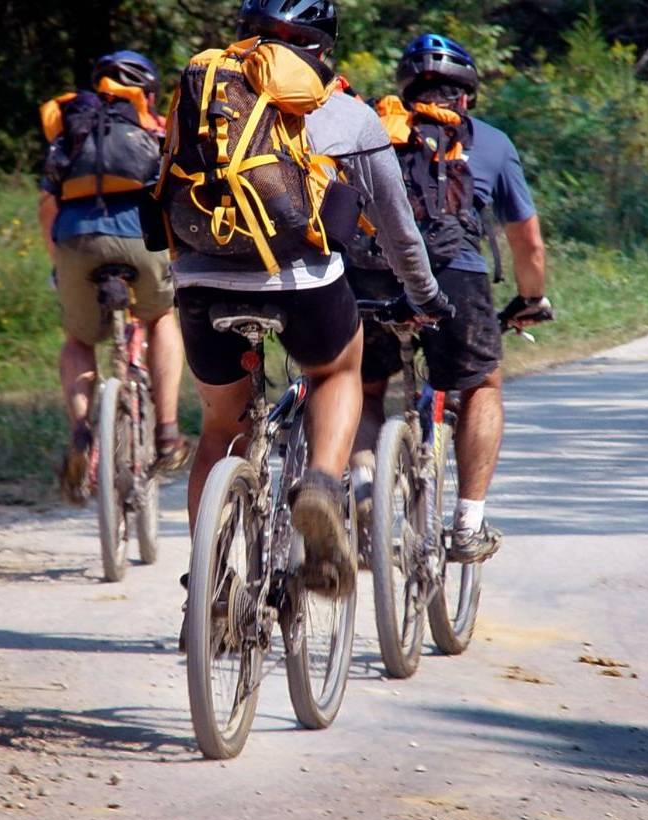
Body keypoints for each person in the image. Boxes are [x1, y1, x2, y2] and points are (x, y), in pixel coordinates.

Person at [165, 0, 445, 598]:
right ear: (326, 46)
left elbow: (167, 187)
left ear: (244, 34)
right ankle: (320, 482)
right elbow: (396, 227)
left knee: (220, 432)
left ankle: (208, 588)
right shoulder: (347, 111)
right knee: (338, 369)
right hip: (304, 284)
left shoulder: (203, 89)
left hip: (200, 280)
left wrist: (190, 271)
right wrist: (425, 294)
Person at [349, 34, 549, 565]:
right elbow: (526, 239)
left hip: (371, 276)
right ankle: (467, 524)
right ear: (468, 92)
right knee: (482, 383)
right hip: (454, 277)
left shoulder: (371, 127)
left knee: (364, 390)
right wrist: (532, 298)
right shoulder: (492, 143)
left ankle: (366, 486)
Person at [37, 50, 189, 504]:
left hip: (76, 241)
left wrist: (59, 262)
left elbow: (48, 206)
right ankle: (167, 432)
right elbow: (178, 201)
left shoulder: (73, 128)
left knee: (79, 340)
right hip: (141, 243)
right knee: (162, 317)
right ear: (149, 92)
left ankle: (83, 432)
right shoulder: (156, 128)